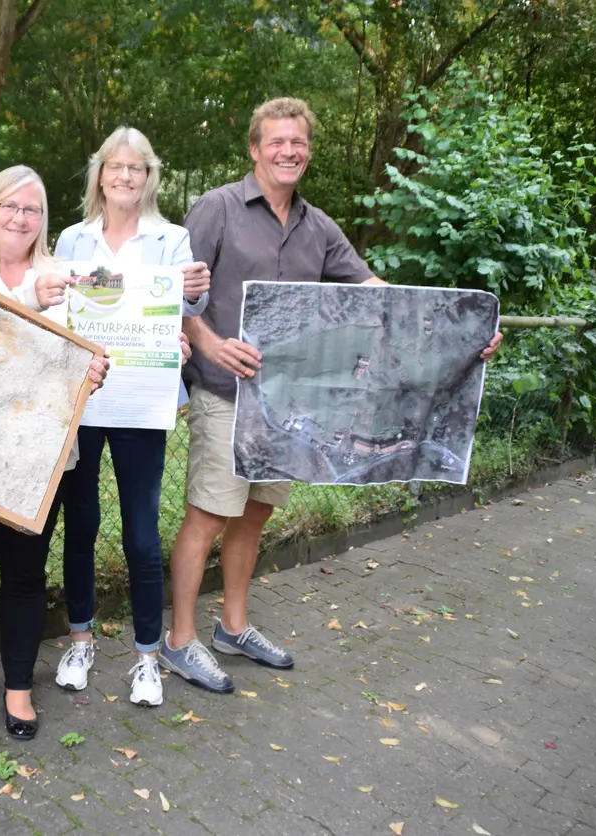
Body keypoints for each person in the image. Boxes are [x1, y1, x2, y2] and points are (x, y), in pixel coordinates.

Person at [159, 97, 503, 694]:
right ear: (254, 148)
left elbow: (382, 297)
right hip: (225, 393)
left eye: (298, 142)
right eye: (276, 141)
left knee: (255, 513)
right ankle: (179, 641)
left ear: (308, 150)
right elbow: (175, 297)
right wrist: (211, 346)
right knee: (211, 514)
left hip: (290, 405)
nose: (288, 151)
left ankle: (233, 628)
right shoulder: (215, 209)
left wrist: (460, 332)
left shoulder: (320, 228)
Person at [0, 165, 109, 741]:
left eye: (31, 209)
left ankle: (19, 687)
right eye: (8, 205)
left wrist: (94, 366)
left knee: (26, 570)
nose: (19, 217)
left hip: (39, 448)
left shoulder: (64, 279)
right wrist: (23, 298)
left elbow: (76, 353)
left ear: (43, 220)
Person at [48, 127, 211, 707]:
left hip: (142, 399)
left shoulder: (171, 238)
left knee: (142, 532)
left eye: (135, 167)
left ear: (149, 177)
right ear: (99, 174)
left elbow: (184, 307)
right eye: (114, 166)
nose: (124, 176)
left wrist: (192, 298)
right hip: (85, 399)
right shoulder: (70, 239)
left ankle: (147, 656)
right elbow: (56, 310)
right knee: (81, 524)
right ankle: (80, 640)